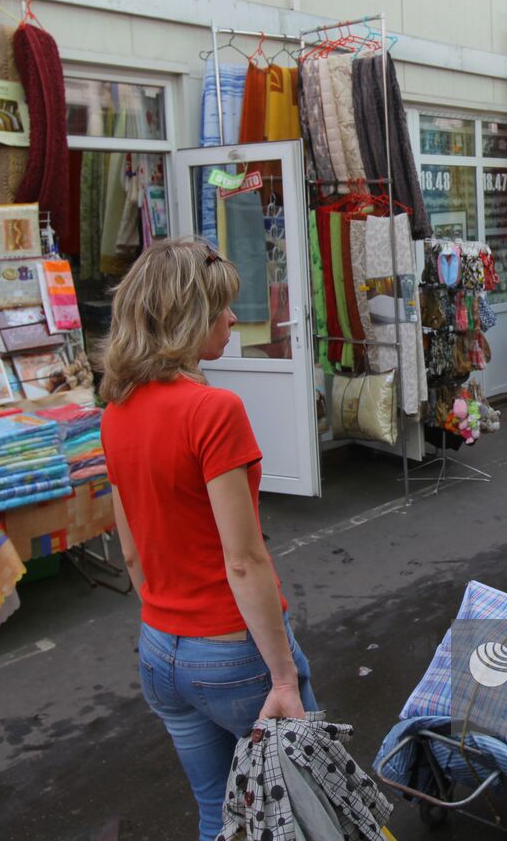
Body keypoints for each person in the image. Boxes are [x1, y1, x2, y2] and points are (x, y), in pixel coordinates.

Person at [98, 239, 317, 839]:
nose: (230, 319)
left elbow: (133, 551)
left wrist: (165, 618)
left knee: (218, 815)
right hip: (229, 651)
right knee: (305, 807)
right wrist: (281, 676)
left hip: (160, 650)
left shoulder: (115, 411)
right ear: (187, 319)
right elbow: (243, 561)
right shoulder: (213, 411)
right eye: (221, 308)